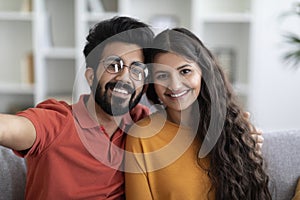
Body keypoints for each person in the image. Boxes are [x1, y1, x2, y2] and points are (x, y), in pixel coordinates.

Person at [0, 16, 154, 199]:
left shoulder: (141, 125)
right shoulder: (58, 121)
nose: (124, 78)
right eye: (114, 65)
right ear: (90, 76)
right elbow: (8, 128)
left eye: (136, 70)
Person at [125, 28, 271, 200]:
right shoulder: (141, 137)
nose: (175, 85)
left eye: (185, 71)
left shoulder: (231, 127)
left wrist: (248, 151)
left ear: (203, 72)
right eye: (162, 75)